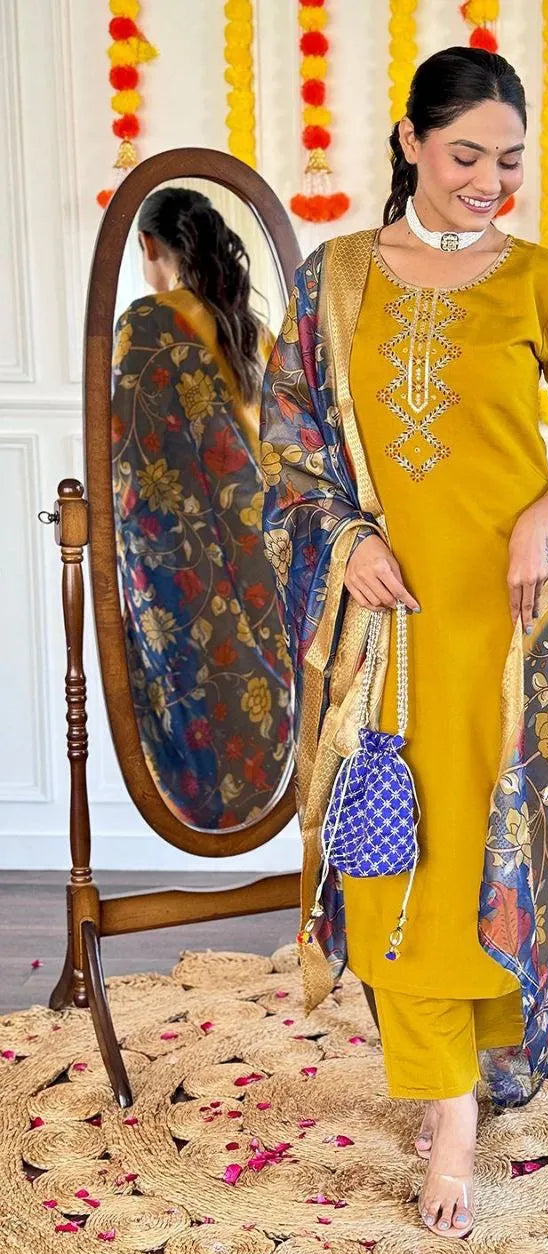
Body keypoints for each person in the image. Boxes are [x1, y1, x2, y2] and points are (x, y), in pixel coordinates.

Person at [259, 47, 548, 1239]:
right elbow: (285, 440)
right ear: (411, 144)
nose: (488, 180)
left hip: (504, 624)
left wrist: (539, 516)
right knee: (393, 840)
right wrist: (346, 538)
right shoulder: (335, 279)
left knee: (487, 840)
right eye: (465, 154)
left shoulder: (541, 282)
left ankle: (464, 1087)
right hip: (389, 621)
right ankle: (447, 1093)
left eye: (508, 160)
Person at [111, 187, 293, 829]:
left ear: (148, 245)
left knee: (200, 694)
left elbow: (136, 464)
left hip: (187, 561)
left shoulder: (146, 322)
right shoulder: (254, 331)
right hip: (269, 552)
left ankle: (213, 819)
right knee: (267, 692)